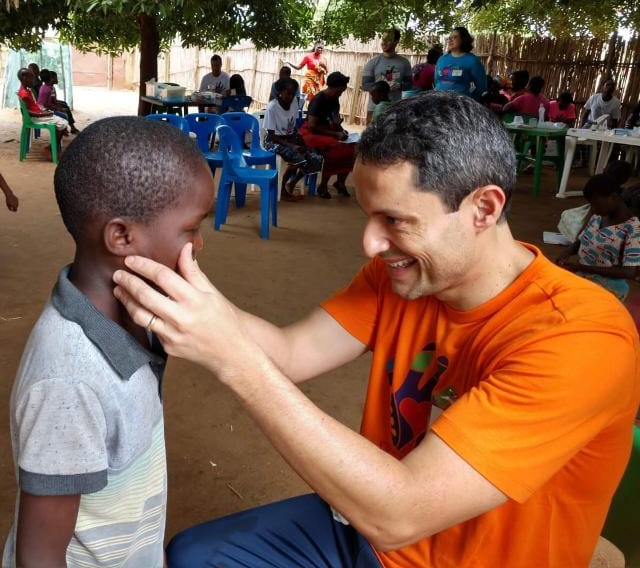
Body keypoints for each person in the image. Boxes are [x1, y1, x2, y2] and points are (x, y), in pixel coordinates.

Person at [113, 91, 640, 568]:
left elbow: (403, 512)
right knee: (193, 557)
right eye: (368, 216)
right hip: (369, 533)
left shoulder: (579, 338)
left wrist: (234, 360)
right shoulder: (406, 277)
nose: (370, 243)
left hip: (419, 533)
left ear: (483, 208)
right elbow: (291, 352)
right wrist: (195, 303)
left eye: (395, 220)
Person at [2, 116, 215, 568]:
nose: (200, 243)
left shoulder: (137, 314)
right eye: (192, 228)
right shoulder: (68, 380)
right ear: (121, 236)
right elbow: (40, 556)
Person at [557, 173, 640, 300]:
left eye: (595, 204)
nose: (593, 209)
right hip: (584, 277)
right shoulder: (599, 216)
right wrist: (568, 251)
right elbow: (582, 239)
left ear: (613, 197)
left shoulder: (633, 228)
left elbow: (629, 272)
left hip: (609, 288)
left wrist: (583, 268)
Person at [264, 77, 323, 202]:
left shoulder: (294, 103)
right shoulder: (272, 107)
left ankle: (292, 183)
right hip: (273, 141)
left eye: (293, 93)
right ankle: (282, 190)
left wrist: (299, 139)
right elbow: (272, 135)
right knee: (298, 158)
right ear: (280, 92)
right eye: (288, 93)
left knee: (315, 158)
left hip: (289, 138)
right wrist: (291, 146)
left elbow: (293, 126)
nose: (291, 96)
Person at [299, 71, 355, 198]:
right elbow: (312, 126)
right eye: (340, 91)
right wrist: (335, 134)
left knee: (352, 147)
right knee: (334, 147)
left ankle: (340, 182)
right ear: (332, 87)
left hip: (328, 132)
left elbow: (334, 120)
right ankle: (323, 185)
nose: (341, 94)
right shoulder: (318, 99)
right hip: (310, 133)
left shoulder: (335, 100)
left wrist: (340, 130)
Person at [362, 28, 413, 124]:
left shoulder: (404, 63)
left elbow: (409, 84)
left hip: (395, 109)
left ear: (396, 41)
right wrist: (380, 88)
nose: (383, 42)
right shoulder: (372, 62)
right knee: (371, 137)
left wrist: (399, 86)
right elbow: (365, 85)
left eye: (388, 39)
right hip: (373, 109)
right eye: (383, 39)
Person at [17, 67, 69, 159]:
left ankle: (53, 147)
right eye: (30, 78)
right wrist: (43, 114)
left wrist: (43, 111)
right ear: (24, 78)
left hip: (38, 114)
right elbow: (28, 111)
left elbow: (33, 107)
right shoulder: (24, 93)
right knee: (63, 123)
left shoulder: (25, 91)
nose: (32, 81)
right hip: (35, 118)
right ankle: (51, 148)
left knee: (62, 122)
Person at [434, 26, 487, 100]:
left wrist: (468, 100)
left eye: (454, 37)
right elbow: (436, 81)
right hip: (436, 100)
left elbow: (482, 86)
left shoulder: (472, 60)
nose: (450, 40)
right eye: (449, 38)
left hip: (458, 105)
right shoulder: (442, 59)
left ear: (463, 39)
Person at [37, 69, 81, 134]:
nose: (57, 79)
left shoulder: (50, 88)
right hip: (44, 110)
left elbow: (53, 100)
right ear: (51, 79)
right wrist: (58, 108)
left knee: (64, 106)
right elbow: (47, 104)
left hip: (47, 107)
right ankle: (65, 129)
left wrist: (58, 107)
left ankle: (66, 129)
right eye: (55, 78)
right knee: (64, 113)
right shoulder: (47, 89)